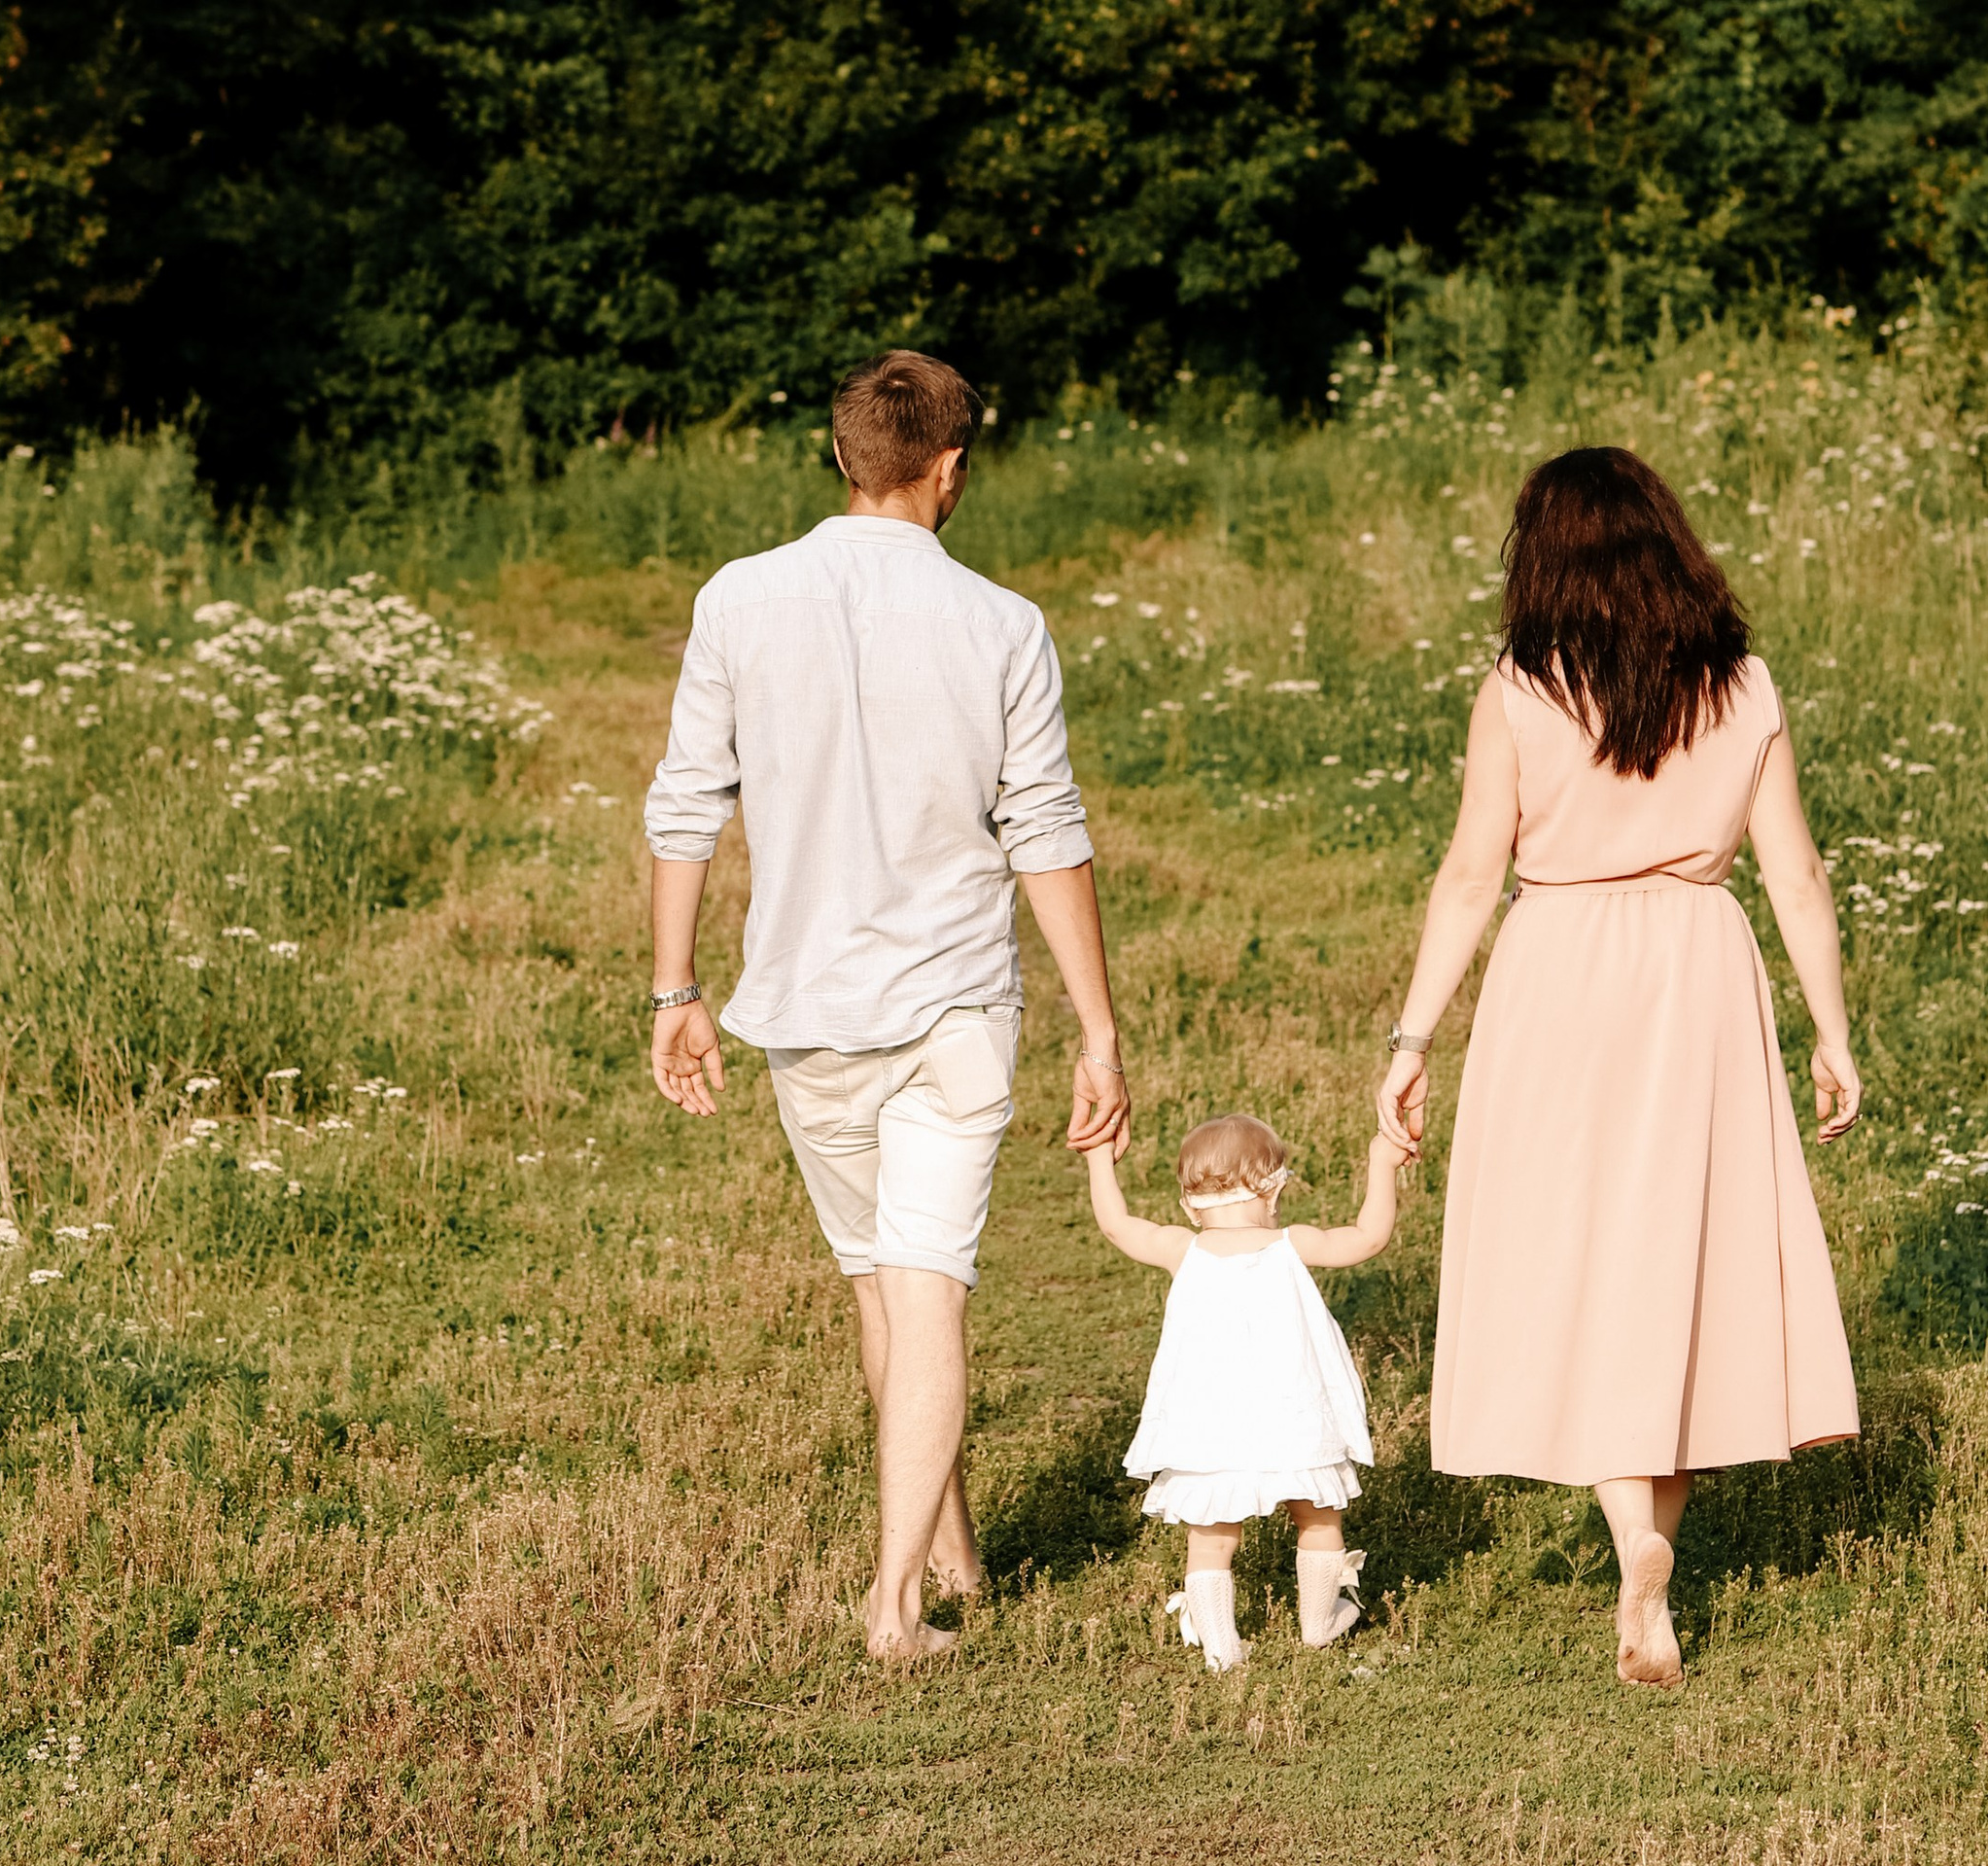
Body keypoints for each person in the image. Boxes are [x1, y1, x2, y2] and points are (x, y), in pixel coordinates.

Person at [643, 348, 1133, 1664]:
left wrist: (675, 988)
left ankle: (949, 1551)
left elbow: (689, 799)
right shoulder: (1000, 624)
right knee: (919, 1295)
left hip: (803, 1007)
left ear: (838, 453)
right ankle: (896, 1601)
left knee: (886, 1292)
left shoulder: (739, 600)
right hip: (952, 1010)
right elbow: (1047, 832)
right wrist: (1098, 1027)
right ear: (952, 468)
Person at [1377, 445, 1860, 1690]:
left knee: (1581, 1253)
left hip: (1560, 968)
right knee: (1680, 1253)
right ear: (1667, 539)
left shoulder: (1520, 689)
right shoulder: (1739, 682)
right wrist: (1832, 1031)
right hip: (1698, 964)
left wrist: (1412, 1035)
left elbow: (1471, 875)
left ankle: (1629, 1536)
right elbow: (1795, 876)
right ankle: (1659, 1546)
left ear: (1542, 556)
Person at [1086, 1109, 1407, 1672]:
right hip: (1295, 1419)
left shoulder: (1178, 1248)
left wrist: (1097, 1159)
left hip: (1207, 1426)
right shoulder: (1293, 1243)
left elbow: (1116, 1224)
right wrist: (1382, 1162)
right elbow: (1369, 1236)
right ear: (1275, 1189)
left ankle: (1221, 1648)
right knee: (1318, 1517)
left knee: (1210, 1538)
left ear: (1188, 1203)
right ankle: (1319, 1622)